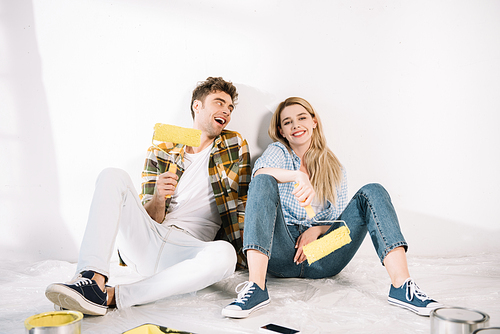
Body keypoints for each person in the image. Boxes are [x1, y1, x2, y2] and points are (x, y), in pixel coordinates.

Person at [45, 77, 251, 315]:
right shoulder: (163, 149)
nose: (226, 111)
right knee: (113, 175)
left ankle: (111, 297)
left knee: (225, 255)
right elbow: (151, 217)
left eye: (230, 108)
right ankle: (91, 279)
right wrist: (159, 197)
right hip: (148, 240)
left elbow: (243, 202)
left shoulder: (233, 145)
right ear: (197, 105)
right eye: (219, 103)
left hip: (188, 251)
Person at [221, 97, 442, 319]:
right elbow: (259, 174)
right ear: (281, 131)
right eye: (288, 122)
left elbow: (339, 225)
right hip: (282, 251)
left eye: (301, 118)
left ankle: (402, 286)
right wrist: (298, 175)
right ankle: (256, 288)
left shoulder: (334, 167)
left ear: (314, 121)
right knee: (263, 179)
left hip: (321, 254)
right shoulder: (279, 152)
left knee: (373, 190)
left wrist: (316, 230)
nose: (296, 125)